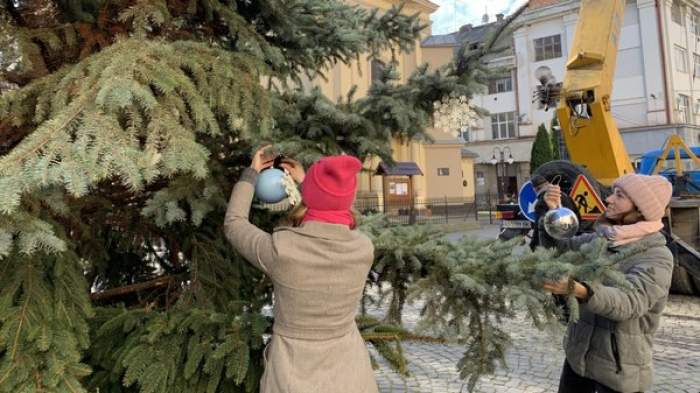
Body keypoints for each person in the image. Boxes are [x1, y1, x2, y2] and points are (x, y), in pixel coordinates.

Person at [224, 146, 379, 393]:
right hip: (350, 375)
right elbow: (330, 211)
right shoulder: (363, 249)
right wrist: (311, 184)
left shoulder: (282, 249)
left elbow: (234, 224)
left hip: (290, 374)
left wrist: (251, 174)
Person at [539, 174, 674, 393]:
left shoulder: (657, 256)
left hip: (617, 371)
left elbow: (631, 302)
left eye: (619, 196)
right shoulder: (603, 240)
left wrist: (581, 290)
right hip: (578, 360)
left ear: (641, 208)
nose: (609, 200)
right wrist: (554, 211)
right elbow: (561, 250)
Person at [529, 175, 581, 251]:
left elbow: (539, 228)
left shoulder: (541, 203)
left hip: (555, 245)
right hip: (572, 240)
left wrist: (533, 247)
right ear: (547, 183)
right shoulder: (564, 195)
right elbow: (578, 218)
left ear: (534, 189)